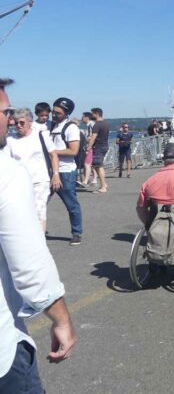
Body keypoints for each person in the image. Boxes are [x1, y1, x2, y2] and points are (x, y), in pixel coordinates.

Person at [0, 78, 77, 392]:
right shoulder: (5, 172)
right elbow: (29, 262)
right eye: (5, 113)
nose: (10, 119)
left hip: (40, 186)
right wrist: (61, 319)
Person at [7, 107, 60, 232]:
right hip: (19, 182)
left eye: (22, 123)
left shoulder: (41, 135)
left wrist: (56, 175)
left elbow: (53, 155)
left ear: (30, 122)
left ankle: (40, 241)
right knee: (22, 212)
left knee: (39, 212)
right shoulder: (10, 140)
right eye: (16, 123)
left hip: (39, 180)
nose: (18, 126)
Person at [49, 97, 85, 245]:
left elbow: (73, 151)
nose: (54, 115)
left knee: (71, 204)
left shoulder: (71, 128)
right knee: (39, 202)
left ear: (66, 113)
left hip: (65, 171)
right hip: (49, 170)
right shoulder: (51, 126)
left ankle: (76, 232)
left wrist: (53, 151)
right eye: (53, 111)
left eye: (57, 112)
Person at [88, 107, 110, 193]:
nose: (91, 115)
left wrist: (88, 147)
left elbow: (93, 137)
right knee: (98, 166)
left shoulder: (97, 125)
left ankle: (103, 187)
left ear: (96, 114)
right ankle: (104, 183)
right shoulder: (106, 123)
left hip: (98, 147)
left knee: (98, 166)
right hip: (104, 145)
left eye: (92, 114)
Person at [79, 111, 96, 187]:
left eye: (82, 117)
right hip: (92, 146)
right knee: (92, 164)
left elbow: (93, 136)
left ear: (87, 118)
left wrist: (88, 145)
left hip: (91, 147)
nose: (81, 118)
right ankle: (94, 180)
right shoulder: (90, 125)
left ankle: (85, 181)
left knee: (87, 163)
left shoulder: (91, 125)